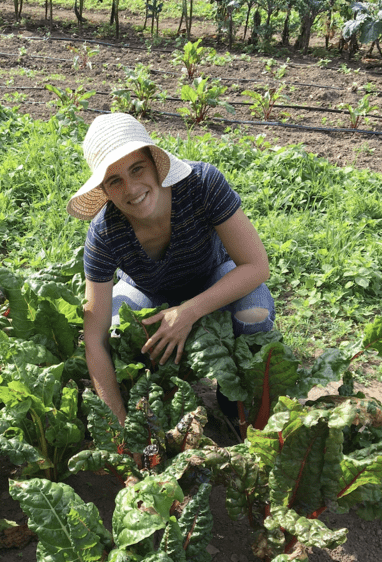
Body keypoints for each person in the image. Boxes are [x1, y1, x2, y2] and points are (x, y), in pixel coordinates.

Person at [66, 112, 275, 427]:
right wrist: (121, 425)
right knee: (116, 330)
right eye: (115, 181)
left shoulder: (202, 184)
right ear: (105, 192)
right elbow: (94, 340)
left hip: (213, 280)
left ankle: (237, 400)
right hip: (148, 293)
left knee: (254, 312)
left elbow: (257, 266)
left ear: (154, 163)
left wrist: (188, 312)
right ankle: (153, 398)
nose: (132, 188)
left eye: (137, 169)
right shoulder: (105, 233)